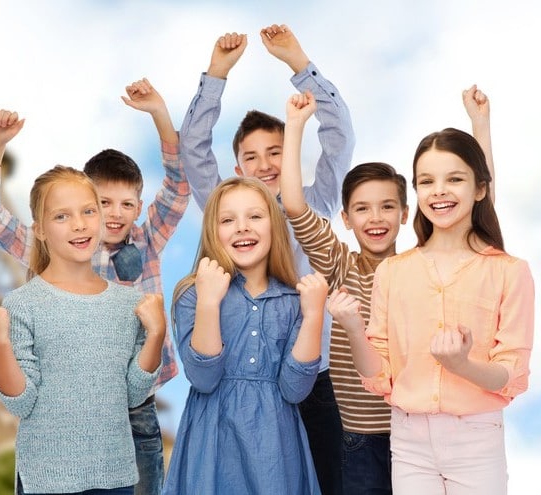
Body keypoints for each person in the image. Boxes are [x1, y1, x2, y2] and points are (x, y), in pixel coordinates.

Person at [0, 78, 188, 494]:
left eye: (125, 205)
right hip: (60, 417)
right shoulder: (49, 252)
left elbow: (177, 187)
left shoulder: (148, 239)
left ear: (139, 208)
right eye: (99, 203)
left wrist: (159, 114)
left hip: (134, 405)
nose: (110, 215)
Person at [281, 85, 494, 494]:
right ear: (345, 218)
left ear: (404, 213)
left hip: (417, 433)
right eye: (362, 208)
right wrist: (295, 127)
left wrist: (479, 127)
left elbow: (477, 210)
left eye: (386, 207)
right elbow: (293, 205)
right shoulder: (340, 265)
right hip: (357, 437)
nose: (375, 218)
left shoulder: (423, 266)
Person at [178, 23, 354, 493]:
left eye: (276, 151)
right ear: (237, 170)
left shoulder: (314, 205)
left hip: (309, 377)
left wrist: (299, 64)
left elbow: (339, 136)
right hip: (234, 380)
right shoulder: (229, 213)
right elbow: (192, 151)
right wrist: (216, 74)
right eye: (251, 157)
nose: (265, 164)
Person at [326, 127, 534, 494]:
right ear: (417, 192)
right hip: (408, 440)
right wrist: (354, 329)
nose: (438, 190)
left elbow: (512, 376)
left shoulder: (509, 271)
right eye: (427, 181)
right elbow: (380, 376)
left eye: (454, 179)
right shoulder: (393, 271)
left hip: (476, 437)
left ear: (480, 188)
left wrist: (462, 366)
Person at [0, 165, 166, 494]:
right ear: (40, 231)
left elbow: (133, 395)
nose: (79, 224)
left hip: (115, 478)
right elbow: (21, 402)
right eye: (62, 216)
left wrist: (156, 335)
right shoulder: (22, 303)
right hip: (46, 481)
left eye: (88, 211)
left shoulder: (127, 304)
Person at [163, 176, 329, 494]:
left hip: (275, 452)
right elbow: (203, 377)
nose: (242, 227)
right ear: (214, 231)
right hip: (212, 445)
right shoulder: (194, 293)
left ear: (274, 226)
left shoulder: (293, 301)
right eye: (228, 219)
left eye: (254, 216)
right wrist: (210, 302)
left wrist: (313, 316)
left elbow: (295, 389)